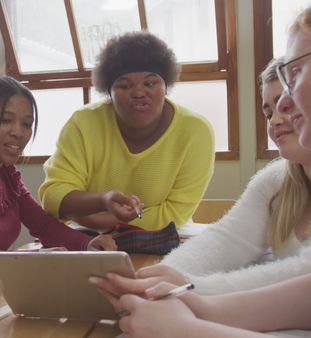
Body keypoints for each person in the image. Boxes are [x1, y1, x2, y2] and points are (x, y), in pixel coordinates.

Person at [91, 0, 311, 337]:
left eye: (297, 73)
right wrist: (199, 304)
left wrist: (186, 330)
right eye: (269, 107)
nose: (285, 106)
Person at [121, 57, 311, 295]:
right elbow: (225, 239)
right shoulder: (275, 181)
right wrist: (161, 277)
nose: (275, 121)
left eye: (286, 106)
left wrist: (188, 287)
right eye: (268, 113)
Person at [39, 31, 215, 232]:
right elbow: (53, 195)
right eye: (124, 85)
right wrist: (103, 200)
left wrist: (106, 223)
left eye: (150, 83)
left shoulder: (195, 132)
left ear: (166, 86)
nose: (139, 93)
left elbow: (173, 213)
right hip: (89, 240)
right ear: (108, 92)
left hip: (162, 240)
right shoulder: (84, 123)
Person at [0, 76, 116, 251]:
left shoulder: (7, 177)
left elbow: (44, 226)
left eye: (27, 124)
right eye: (6, 120)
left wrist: (89, 244)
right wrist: (30, 258)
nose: (18, 133)